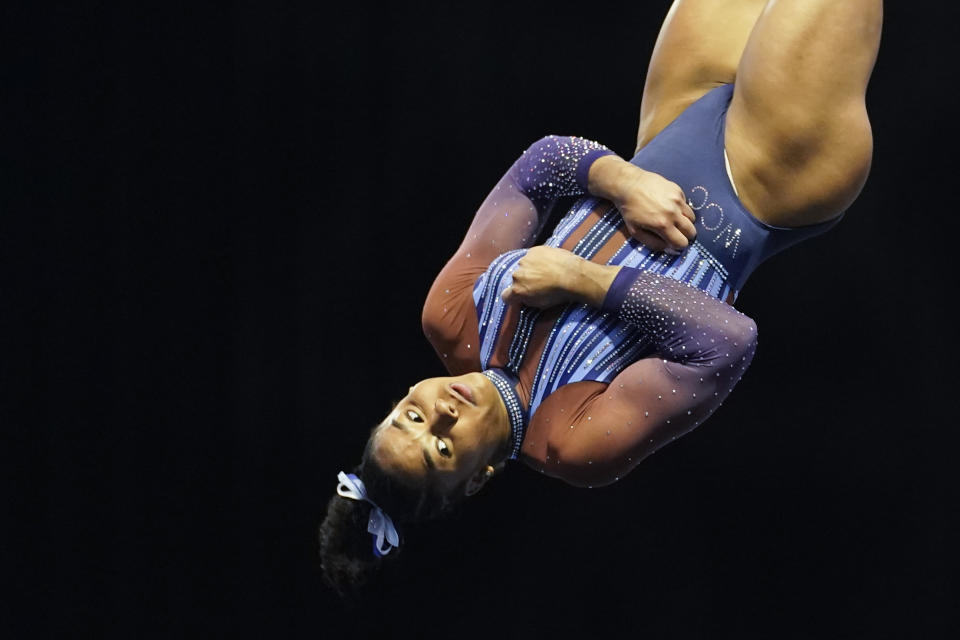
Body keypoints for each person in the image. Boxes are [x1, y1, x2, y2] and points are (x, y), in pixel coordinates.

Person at [319, 0, 882, 596]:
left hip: (667, 125)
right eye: (440, 447)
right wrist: (580, 279)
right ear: (476, 479)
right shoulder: (572, 443)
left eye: (411, 417)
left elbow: (537, 168)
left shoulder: (450, 319)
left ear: (401, 399)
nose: (441, 414)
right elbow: (727, 343)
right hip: (762, 182)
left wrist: (622, 180)